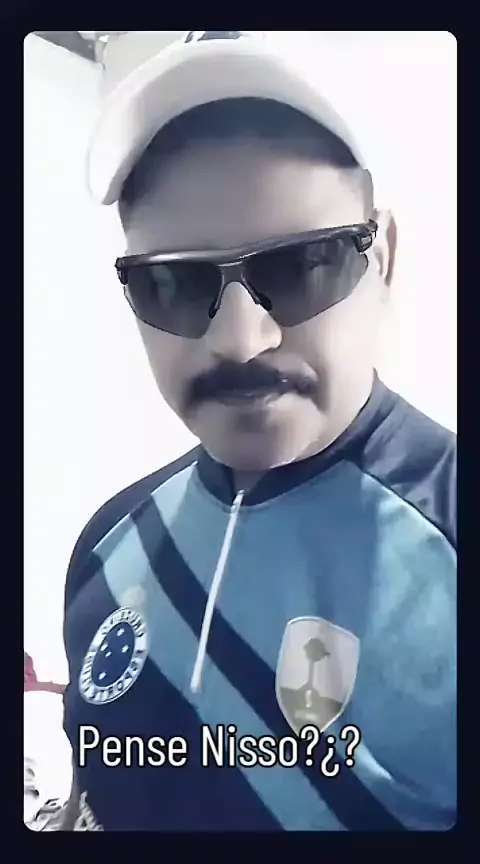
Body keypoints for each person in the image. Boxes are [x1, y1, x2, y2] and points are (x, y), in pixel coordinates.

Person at [61, 32, 456, 831]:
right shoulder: (107, 545)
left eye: (301, 266)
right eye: (175, 283)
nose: (242, 341)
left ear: (382, 258)